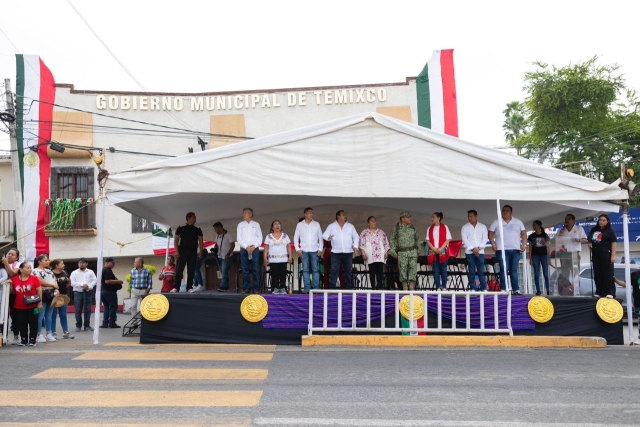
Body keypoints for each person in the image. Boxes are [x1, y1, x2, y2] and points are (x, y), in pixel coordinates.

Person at [488, 205, 527, 295]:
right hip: (502, 250)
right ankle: (503, 289)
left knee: (513, 270)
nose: (505, 212)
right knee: (503, 269)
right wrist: (493, 244)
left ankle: (516, 289)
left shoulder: (518, 222)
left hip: (515, 249)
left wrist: (524, 245)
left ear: (511, 212)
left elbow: (524, 234)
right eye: (503, 211)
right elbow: (490, 233)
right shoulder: (496, 222)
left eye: (507, 211)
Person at [323, 210, 360, 290]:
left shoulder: (350, 226)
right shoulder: (332, 226)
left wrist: (355, 246)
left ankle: (349, 288)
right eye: (343, 215)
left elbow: (356, 236)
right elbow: (324, 234)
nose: (345, 216)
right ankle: (332, 289)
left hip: (348, 252)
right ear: (338, 216)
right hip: (336, 252)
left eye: (345, 215)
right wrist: (327, 237)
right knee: (334, 270)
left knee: (348, 271)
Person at [10, 261, 42, 346]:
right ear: (21, 269)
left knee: (33, 322)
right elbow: (13, 292)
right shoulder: (15, 279)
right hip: (19, 305)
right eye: (27, 268)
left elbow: (39, 290)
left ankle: (32, 340)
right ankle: (23, 340)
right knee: (22, 322)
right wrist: (10, 285)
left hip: (33, 305)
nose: (30, 269)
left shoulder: (34, 278)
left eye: (30, 267)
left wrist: (40, 303)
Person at [171, 212, 204, 293]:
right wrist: (176, 251)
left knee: (191, 270)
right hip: (182, 252)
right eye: (194, 217)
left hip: (193, 252)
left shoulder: (198, 229)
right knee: (179, 269)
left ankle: (189, 287)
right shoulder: (181, 227)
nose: (195, 219)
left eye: (195, 217)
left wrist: (201, 251)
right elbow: (176, 240)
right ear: (188, 218)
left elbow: (201, 241)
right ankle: (176, 288)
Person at [293, 208, 324, 293]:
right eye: (310, 213)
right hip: (304, 250)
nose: (312, 214)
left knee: (315, 269)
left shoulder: (316, 224)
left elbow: (320, 237)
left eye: (312, 213)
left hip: (314, 250)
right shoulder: (300, 225)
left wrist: (320, 249)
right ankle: (307, 289)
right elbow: (296, 237)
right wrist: (297, 249)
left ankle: (316, 289)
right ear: (305, 214)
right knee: (305, 270)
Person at [588, 214, 617, 298]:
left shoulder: (610, 231)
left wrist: (613, 255)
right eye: (600, 220)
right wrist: (589, 243)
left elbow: (614, 243)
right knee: (597, 273)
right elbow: (589, 239)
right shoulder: (594, 229)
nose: (601, 222)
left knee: (607, 273)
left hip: (606, 253)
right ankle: (599, 291)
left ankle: (610, 292)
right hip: (596, 253)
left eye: (604, 220)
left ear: (607, 221)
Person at [389, 212, 420, 291]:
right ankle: (405, 288)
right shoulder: (397, 228)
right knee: (403, 271)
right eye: (408, 217)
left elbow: (417, 239)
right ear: (402, 218)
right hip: (402, 253)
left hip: (412, 251)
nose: (410, 218)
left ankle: (412, 288)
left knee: (413, 270)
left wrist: (418, 250)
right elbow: (392, 239)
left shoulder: (412, 227)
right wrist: (393, 252)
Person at [33, 254, 59, 343]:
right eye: (45, 260)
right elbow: (40, 282)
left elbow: (55, 281)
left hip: (51, 294)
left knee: (49, 315)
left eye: (47, 260)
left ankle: (49, 333)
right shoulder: (35, 271)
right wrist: (52, 285)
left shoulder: (50, 271)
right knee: (40, 315)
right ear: (39, 261)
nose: (47, 262)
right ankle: (38, 334)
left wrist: (56, 289)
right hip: (42, 294)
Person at [359, 216, 390, 290]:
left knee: (380, 272)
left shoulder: (381, 232)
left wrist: (387, 252)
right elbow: (361, 244)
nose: (373, 222)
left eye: (375, 221)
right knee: (372, 272)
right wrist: (363, 253)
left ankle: (380, 287)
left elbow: (386, 243)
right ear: (368, 223)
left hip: (380, 255)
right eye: (372, 221)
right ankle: (373, 287)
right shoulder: (364, 232)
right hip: (370, 256)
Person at [237, 208, 263, 294]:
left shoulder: (256, 224)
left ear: (251, 214)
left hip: (254, 249)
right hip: (244, 249)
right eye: (243, 213)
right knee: (245, 269)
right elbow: (239, 238)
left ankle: (256, 288)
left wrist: (254, 246)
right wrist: (246, 247)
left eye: (245, 213)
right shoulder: (240, 225)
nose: (244, 214)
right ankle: (246, 288)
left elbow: (260, 237)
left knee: (255, 269)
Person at [461, 210, 488, 292]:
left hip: (480, 252)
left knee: (481, 271)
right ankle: (472, 288)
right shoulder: (464, 227)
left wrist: (478, 248)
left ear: (476, 216)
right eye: (468, 216)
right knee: (471, 271)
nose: (470, 218)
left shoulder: (483, 227)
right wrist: (473, 249)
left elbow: (485, 239)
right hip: (470, 252)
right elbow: (464, 240)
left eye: (471, 216)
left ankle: (483, 288)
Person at [264, 220, 293, 294]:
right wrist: (265, 257)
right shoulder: (268, 236)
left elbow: (289, 247)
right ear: (272, 227)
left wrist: (290, 256)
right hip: (273, 259)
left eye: (279, 224)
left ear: (281, 227)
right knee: (275, 273)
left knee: (283, 273)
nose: (277, 225)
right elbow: (266, 248)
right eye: (275, 224)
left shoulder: (285, 236)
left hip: (283, 259)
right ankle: (275, 288)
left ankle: (283, 288)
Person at [555, 213, 588, 278]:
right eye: (566, 219)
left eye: (569, 219)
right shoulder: (560, 230)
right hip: (563, 254)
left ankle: (577, 287)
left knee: (575, 274)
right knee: (565, 274)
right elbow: (555, 241)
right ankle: (566, 287)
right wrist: (560, 234)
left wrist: (579, 240)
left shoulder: (579, 229)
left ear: (574, 221)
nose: (566, 221)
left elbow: (585, 239)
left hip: (574, 253)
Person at [425, 212, 452, 291]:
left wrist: (441, 248)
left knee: (443, 270)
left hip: (442, 250)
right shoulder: (429, 228)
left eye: (433, 217)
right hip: (433, 251)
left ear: (438, 218)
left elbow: (448, 239)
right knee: (436, 270)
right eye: (432, 217)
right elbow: (427, 240)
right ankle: (438, 287)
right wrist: (433, 248)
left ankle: (444, 287)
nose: (432, 219)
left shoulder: (445, 227)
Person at [70, 257, 97, 331]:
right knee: (78, 309)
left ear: (86, 264)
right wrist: (82, 285)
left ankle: (87, 325)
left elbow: (94, 280)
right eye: (80, 263)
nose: (81, 264)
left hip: (88, 292)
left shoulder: (90, 272)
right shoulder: (74, 272)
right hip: (78, 292)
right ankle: (78, 326)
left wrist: (89, 286)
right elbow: (72, 283)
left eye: (83, 263)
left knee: (87, 309)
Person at [50, 259, 74, 339]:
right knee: (53, 315)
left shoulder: (64, 272)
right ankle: (53, 333)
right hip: (54, 296)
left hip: (63, 296)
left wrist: (65, 289)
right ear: (56, 266)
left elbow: (69, 282)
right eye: (62, 264)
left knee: (63, 314)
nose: (63, 265)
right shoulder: (50, 273)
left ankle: (66, 332)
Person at [2, 248, 21, 344]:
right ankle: (3, 336)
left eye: (13, 254)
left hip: (13, 293)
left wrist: (6, 263)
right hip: (2, 293)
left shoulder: (17, 265)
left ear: (17, 257)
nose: (9, 255)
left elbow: (12, 273)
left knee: (14, 314)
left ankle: (16, 336)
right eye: (9, 253)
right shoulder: (2, 263)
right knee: (3, 316)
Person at [527, 220, 550, 296]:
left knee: (546, 273)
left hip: (544, 255)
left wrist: (548, 256)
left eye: (535, 225)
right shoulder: (531, 236)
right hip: (535, 256)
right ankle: (538, 290)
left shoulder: (545, 235)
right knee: (536, 273)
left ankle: (548, 289)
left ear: (539, 226)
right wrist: (530, 258)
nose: (534, 227)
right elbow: (530, 247)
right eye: (533, 225)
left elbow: (548, 246)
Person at [100, 257, 123, 328]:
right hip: (109, 291)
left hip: (104, 291)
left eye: (114, 263)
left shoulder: (105, 270)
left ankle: (105, 323)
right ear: (107, 263)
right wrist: (119, 281)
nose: (113, 264)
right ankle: (112, 322)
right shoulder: (107, 270)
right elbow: (107, 281)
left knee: (107, 307)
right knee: (113, 307)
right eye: (112, 263)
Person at [213, 222, 235, 292]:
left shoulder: (228, 235)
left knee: (224, 271)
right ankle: (226, 286)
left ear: (220, 227)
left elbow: (233, 245)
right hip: (220, 256)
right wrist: (215, 248)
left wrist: (228, 254)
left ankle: (222, 286)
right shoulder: (217, 236)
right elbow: (216, 244)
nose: (215, 230)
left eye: (216, 228)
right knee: (223, 272)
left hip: (227, 256)